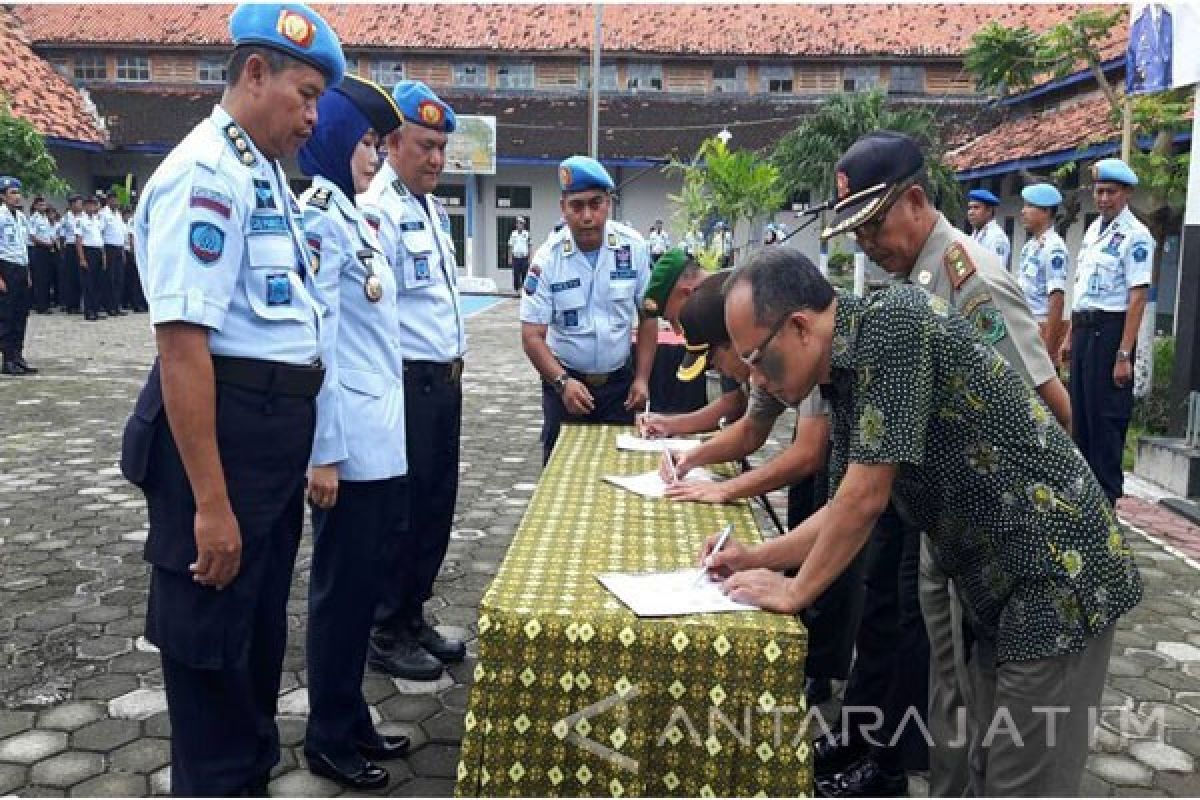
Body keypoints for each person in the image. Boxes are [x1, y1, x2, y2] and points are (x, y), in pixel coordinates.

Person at [714, 248, 1141, 797]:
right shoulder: (845, 374)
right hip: (1000, 589)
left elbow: (864, 499)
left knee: (1021, 783)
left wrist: (796, 591)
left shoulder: (892, 323)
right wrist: (754, 559)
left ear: (799, 326)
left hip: (1056, 578)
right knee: (983, 769)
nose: (758, 380)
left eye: (757, 359)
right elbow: (842, 507)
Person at [117, 4, 344, 794]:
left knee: (251, 648)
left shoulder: (261, 173)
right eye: (306, 94)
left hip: (267, 446)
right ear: (255, 73)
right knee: (212, 656)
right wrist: (211, 506)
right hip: (221, 450)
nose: (314, 117)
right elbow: (182, 347)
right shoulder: (205, 173)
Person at [816, 130, 1070, 797]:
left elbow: (1048, 410)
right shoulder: (913, 279)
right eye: (855, 231)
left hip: (998, 542)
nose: (864, 242)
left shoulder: (968, 277)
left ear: (917, 200)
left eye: (872, 224)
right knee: (947, 693)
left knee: (985, 703)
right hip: (945, 532)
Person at [297, 74, 411, 791]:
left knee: (363, 588)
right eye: (368, 140)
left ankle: (353, 717)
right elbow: (321, 345)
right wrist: (325, 454)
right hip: (348, 451)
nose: (375, 154)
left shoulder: (357, 217)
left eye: (376, 142)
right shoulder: (317, 219)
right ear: (336, 138)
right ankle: (328, 736)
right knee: (339, 599)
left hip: (382, 439)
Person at [360, 80, 468, 682]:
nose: (436, 159)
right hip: (408, 386)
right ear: (392, 143)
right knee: (401, 515)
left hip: (441, 387)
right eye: (425, 146)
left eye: (442, 148)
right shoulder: (380, 211)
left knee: (434, 508)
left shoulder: (427, 206)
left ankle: (411, 613)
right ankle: (384, 628)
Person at [519, 155, 657, 464]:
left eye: (596, 204)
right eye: (577, 206)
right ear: (562, 208)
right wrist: (561, 382)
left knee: (619, 469)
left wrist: (643, 379)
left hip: (620, 386)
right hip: (565, 386)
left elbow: (648, 318)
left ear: (609, 203)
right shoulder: (547, 260)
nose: (587, 216)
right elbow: (531, 337)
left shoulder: (633, 249)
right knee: (560, 473)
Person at [1065, 158, 1154, 507]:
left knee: (1105, 420)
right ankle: (1084, 502)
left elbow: (1137, 299)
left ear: (1126, 193)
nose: (1103, 199)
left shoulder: (1136, 236)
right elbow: (1082, 288)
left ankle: (1106, 505)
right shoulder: (1092, 231)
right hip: (1086, 330)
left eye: (1111, 192)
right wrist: (1071, 336)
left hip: (1111, 334)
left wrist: (1123, 354)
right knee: (1081, 417)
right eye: (1099, 192)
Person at [636, 249, 748, 438]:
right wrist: (668, 424)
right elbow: (734, 401)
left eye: (674, 320)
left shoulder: (736, 301)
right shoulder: (719, 304)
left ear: (687, 294)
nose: (678, 331)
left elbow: (742, 412)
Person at [1017, 183, 1070, 367]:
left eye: (1030, 206)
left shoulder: (1054, 248)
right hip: (1024, 325)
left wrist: (1049, 348)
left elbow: (1056, 299)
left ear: (1046, 211)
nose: (1023, 211)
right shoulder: (1029, 246)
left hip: (1040, 327)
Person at [0, 176, 35, 376]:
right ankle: (7, 359)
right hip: (6, 268)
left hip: (21, 268)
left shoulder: (21, 217)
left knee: (21, 314)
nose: (17, 196)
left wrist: (28, 272)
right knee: (7, 315)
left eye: (18, 192)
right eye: (12, 193)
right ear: (3, 196)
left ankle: (18, 356)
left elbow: (23, 248)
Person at [78, 195, 107, 322]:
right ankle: (89, 311)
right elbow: (78, 240)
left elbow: (100, 239)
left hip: (98, 251)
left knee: (98, 282)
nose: (92, 207)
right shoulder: (80, 220)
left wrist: (104, 256)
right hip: (87, 251)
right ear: (84, 206)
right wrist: (82, 258)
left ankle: (95, 309)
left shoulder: (97, 220)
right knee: (88, 283)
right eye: (89, 204)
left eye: (94, 204)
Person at [99, 190, 128, 316]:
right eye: (114, 200)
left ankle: (117, 306)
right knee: (109, 279)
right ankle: (109, 306)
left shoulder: (118, 214)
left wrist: (122, 251)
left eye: (117, 200)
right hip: (108, 248)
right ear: (108, 200)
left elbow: (121, 233)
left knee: (119, 279)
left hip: (119, 248)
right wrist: (103, 252)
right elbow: (100, 233)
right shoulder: (103, 214)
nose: (116, 202)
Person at [966, 188, 1010, 268]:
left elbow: (996, 272)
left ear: (989, 210)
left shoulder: (997, 237)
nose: (971, 212)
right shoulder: (974, 235)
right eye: (969, 208)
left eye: (976, 207)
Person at [27, 196, 56, 314]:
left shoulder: (45, 218)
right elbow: (33, 237)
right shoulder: (34, 218)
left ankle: (45, 303)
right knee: (40, 279)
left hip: (47, 250)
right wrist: (46, 244)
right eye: (40, 205)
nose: (43, 206)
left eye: (44, 204)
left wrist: (52, 243)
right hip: (39, 250)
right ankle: (40, 306)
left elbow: (49, 234)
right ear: (35, 206)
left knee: (47, 278)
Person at [58, 195, 83, 314]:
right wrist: (63, 250)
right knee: (69, 277)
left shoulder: (83, 216)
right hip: (70, 247)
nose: (80, 205)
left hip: (81, 247)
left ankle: (77, 304)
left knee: (79, 277)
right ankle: (69, 305)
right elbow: (61, 235)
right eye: (78, 203)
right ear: (72, 204)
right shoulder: (66, 218)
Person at [122, 206, 149, 313]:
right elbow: (131, 237)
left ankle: (144, 303)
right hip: (136, 253)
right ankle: (137, 304)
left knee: (143, 279)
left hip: (145, 253)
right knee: (136, 281)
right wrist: (134, 253)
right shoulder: (134, 220)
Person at [507, 215, 530, 293]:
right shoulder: (513, 234)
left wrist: (530, 257)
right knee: (516, 275)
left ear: (523, 225)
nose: (519, 225)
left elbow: (529, 245)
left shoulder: (527, 234)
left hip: (524, 258)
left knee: (525, 274)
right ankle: (516, 290)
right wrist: (509, 258)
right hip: (516, 258)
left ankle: (524, 291)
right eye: (517, 223)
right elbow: (510, 246)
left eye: (520, 223)